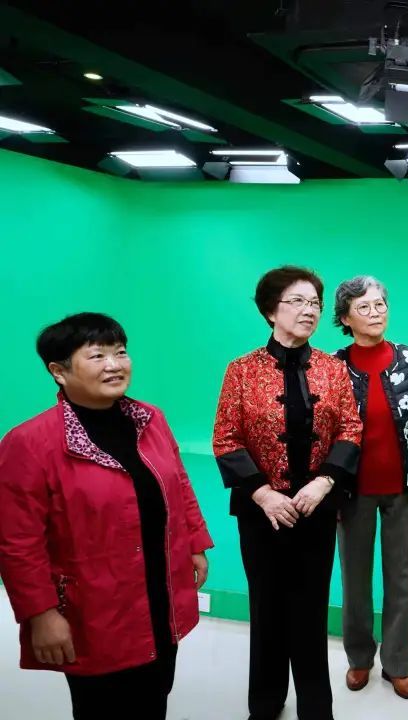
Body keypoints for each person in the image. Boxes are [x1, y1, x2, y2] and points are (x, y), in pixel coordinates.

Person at [0, 312, 213, 720]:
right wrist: (41, 614)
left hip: (160, 590)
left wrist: (196, 543)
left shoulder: (150, 420)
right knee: (103, 705)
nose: (115, 364)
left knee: (155, 693)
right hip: (94, 606)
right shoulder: (29, 443)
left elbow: (179, 484)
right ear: (58, 372)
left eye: (121, 352)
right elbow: (17, 542)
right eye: (97, 356)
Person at [213, 266, 363, 720]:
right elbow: (226, 438)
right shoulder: (241, 370)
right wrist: (263, 495)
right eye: (297, 301)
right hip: (261, 512)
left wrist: (325, 481)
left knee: (311, 609)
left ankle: (316, 706)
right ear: (269, 311)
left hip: (317, 508)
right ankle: (265, 701)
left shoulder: (334, 369)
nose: (309, 310)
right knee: (267, 607)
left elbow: (352, 428)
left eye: (314, 302)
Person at [331, 275, 408, 700]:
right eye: (364, 307)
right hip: (351, 490)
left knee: (404, 578)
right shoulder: (332, 366)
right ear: (345, 318)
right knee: (355, 579)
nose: (375, 313)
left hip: (403, 487)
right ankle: (359, 658)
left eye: (380, 305)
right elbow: (323, 432)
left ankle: (398, 664)